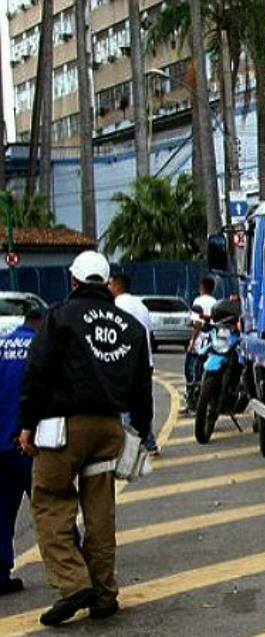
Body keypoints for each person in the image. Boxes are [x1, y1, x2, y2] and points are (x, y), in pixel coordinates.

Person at [17, 250, 153, 626]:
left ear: (73, 280)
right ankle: (104, 593)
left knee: (50, 503)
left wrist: (26, 425)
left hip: (62, 429)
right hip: (109, 429)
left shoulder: (59, 316)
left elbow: (38, 373)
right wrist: (140, 431)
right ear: (107, 282)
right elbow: (143, 385)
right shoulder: (129, 325)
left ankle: (74, 584)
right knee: (100, 514)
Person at [0, 304, 44, 595]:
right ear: (41, 323)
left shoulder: (2, 345)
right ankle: (76, 571)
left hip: (0, 443)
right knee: (52, 506)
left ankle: (0, 574)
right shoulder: (41, 348)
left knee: (1, 512)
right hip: (28, 443)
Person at [109, 274, 159, 455]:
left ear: (116, 286)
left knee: (124, 406)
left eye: (110, 284)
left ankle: (128, 447)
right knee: (144, 403)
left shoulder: (115, 306)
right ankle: (149, 440)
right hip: (146, 362)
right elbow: (150, 334)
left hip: (125, 363)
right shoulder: (142, 306)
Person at [184, 277, 217, 414]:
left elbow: (197, 324)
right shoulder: (216, 302)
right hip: (211, 343)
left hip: (199, 344)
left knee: (191, 372)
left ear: (202, 287)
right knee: (203, 374)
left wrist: (192, 341)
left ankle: (192, 404)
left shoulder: (198, 301)